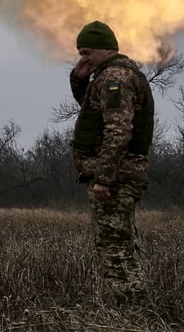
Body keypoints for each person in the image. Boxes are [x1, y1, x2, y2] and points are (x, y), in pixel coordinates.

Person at [69, 21, 155, 304]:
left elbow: (117, 130)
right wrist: (79, 80)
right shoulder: (115, 74)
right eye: (80, 53)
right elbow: (95, 111)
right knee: (122, 245)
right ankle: (136, 308)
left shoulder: (114, 77)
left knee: (114, 249)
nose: (83, 58)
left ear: (107, 49)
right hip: (122, 176)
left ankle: (134, 314)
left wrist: (104, 178)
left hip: (116, 180)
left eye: (87, 52)